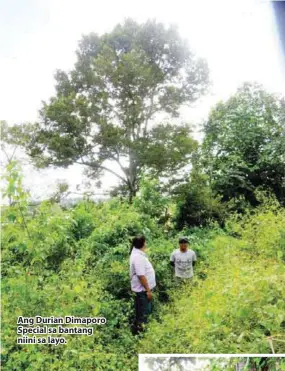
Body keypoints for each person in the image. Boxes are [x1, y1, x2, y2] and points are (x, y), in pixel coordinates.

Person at [129, 235, 156, 335]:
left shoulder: (137, 254)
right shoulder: (138, 257)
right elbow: (141, 275)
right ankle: (141, 335)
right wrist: (148, 290)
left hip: (142, 291)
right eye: (145, 242)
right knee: (144, 314)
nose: (146, 244)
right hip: (142, 291)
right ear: (143, 243)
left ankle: (139, 333)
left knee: (141, 313)